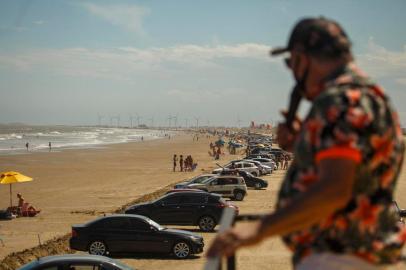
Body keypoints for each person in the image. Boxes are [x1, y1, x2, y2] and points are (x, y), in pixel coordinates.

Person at [207, 17, 405, 270]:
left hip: (336, 256)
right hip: (360, 254)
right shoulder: (373, 97)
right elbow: (358, 174)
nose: (291, 71)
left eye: (290, 63)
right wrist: (302, 146)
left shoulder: (338, 101)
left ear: (302, 57)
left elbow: (334, 190)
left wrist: (257, 229)